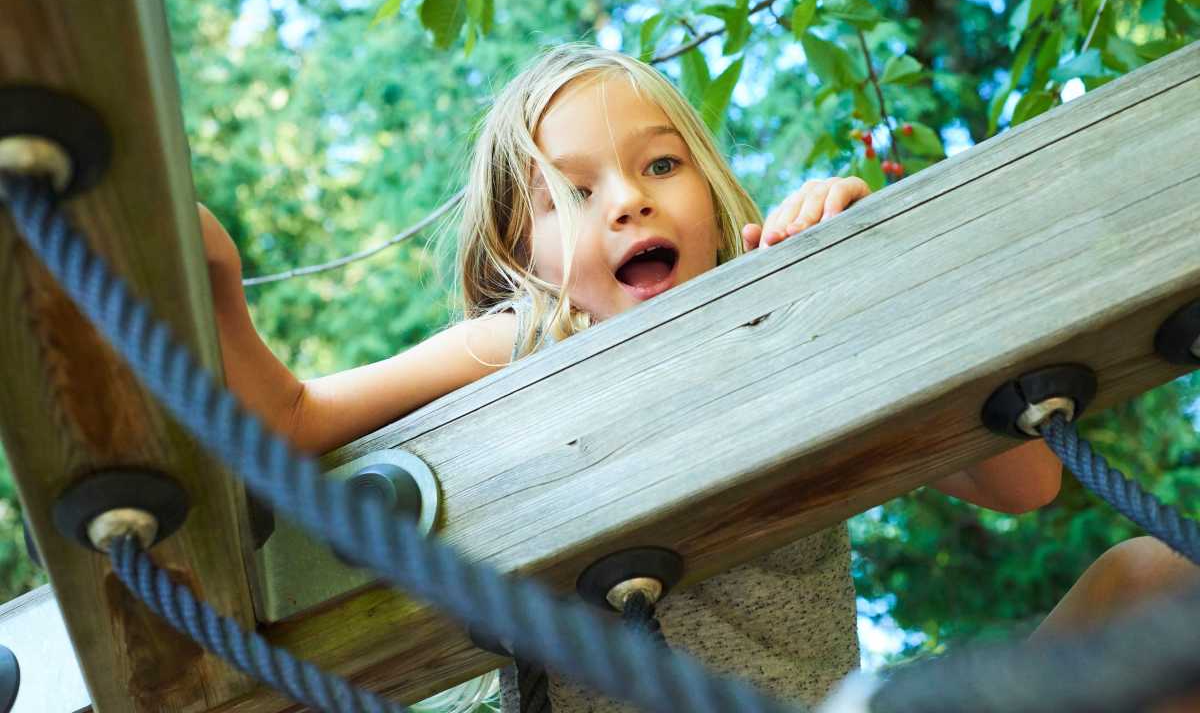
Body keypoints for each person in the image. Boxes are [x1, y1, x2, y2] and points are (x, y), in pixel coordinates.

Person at [199, 43, 1067, 711]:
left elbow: (1024, 478)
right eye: (571, 192)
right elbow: (295, 418)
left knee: (1146, 578)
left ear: (714, 194)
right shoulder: (526, 343)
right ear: (520, 254)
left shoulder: (785, 329)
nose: (627, 200)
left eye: (660, 165)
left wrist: (864, 279)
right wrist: (214, 283)